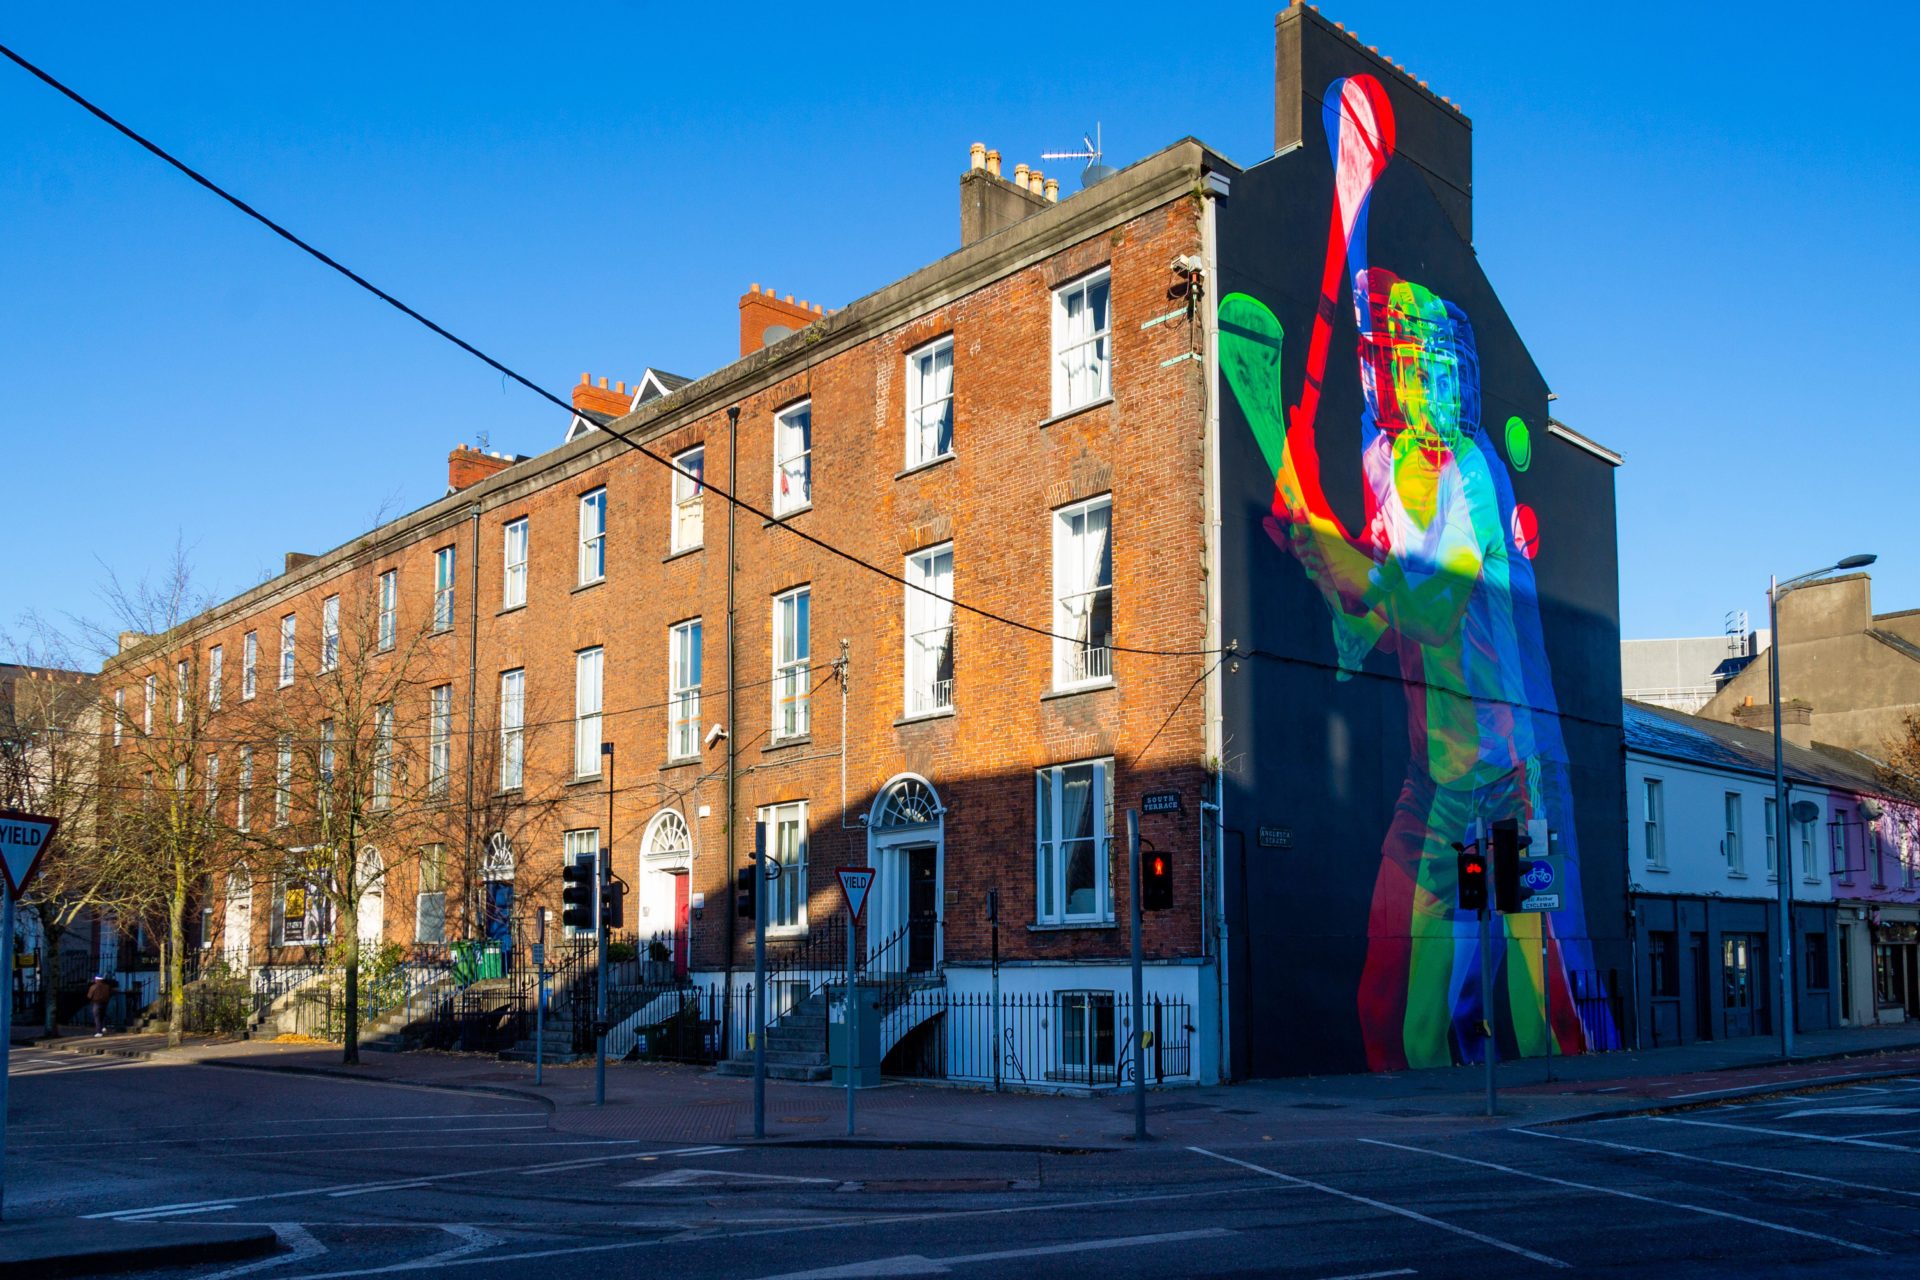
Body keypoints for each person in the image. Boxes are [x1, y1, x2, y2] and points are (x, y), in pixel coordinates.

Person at [1219, 71, 1617, 1072]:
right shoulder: (1377, 462)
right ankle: (1458, 1121)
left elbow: (1435, 602)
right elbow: (1373, 623)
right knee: (1389, 1000)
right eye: (1373, 350)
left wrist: (1341, 561)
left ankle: (1564, 1131)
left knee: (1544, 1008)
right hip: (1433, 783)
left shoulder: (1472, 468)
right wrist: (1318, 557)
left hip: (1514, 782)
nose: (1375, 364)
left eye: (1391, 354)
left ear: (1432, 368)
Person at [86, 973, 116, 1037]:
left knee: (97, 1017)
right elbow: (111, 993)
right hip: (105, 1003)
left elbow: (89, 996)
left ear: (96, 979)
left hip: (96, 1003)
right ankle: (103, 1027)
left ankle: (99, 1031)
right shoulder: (107, 986)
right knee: (102, 1016)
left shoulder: (93, 987)